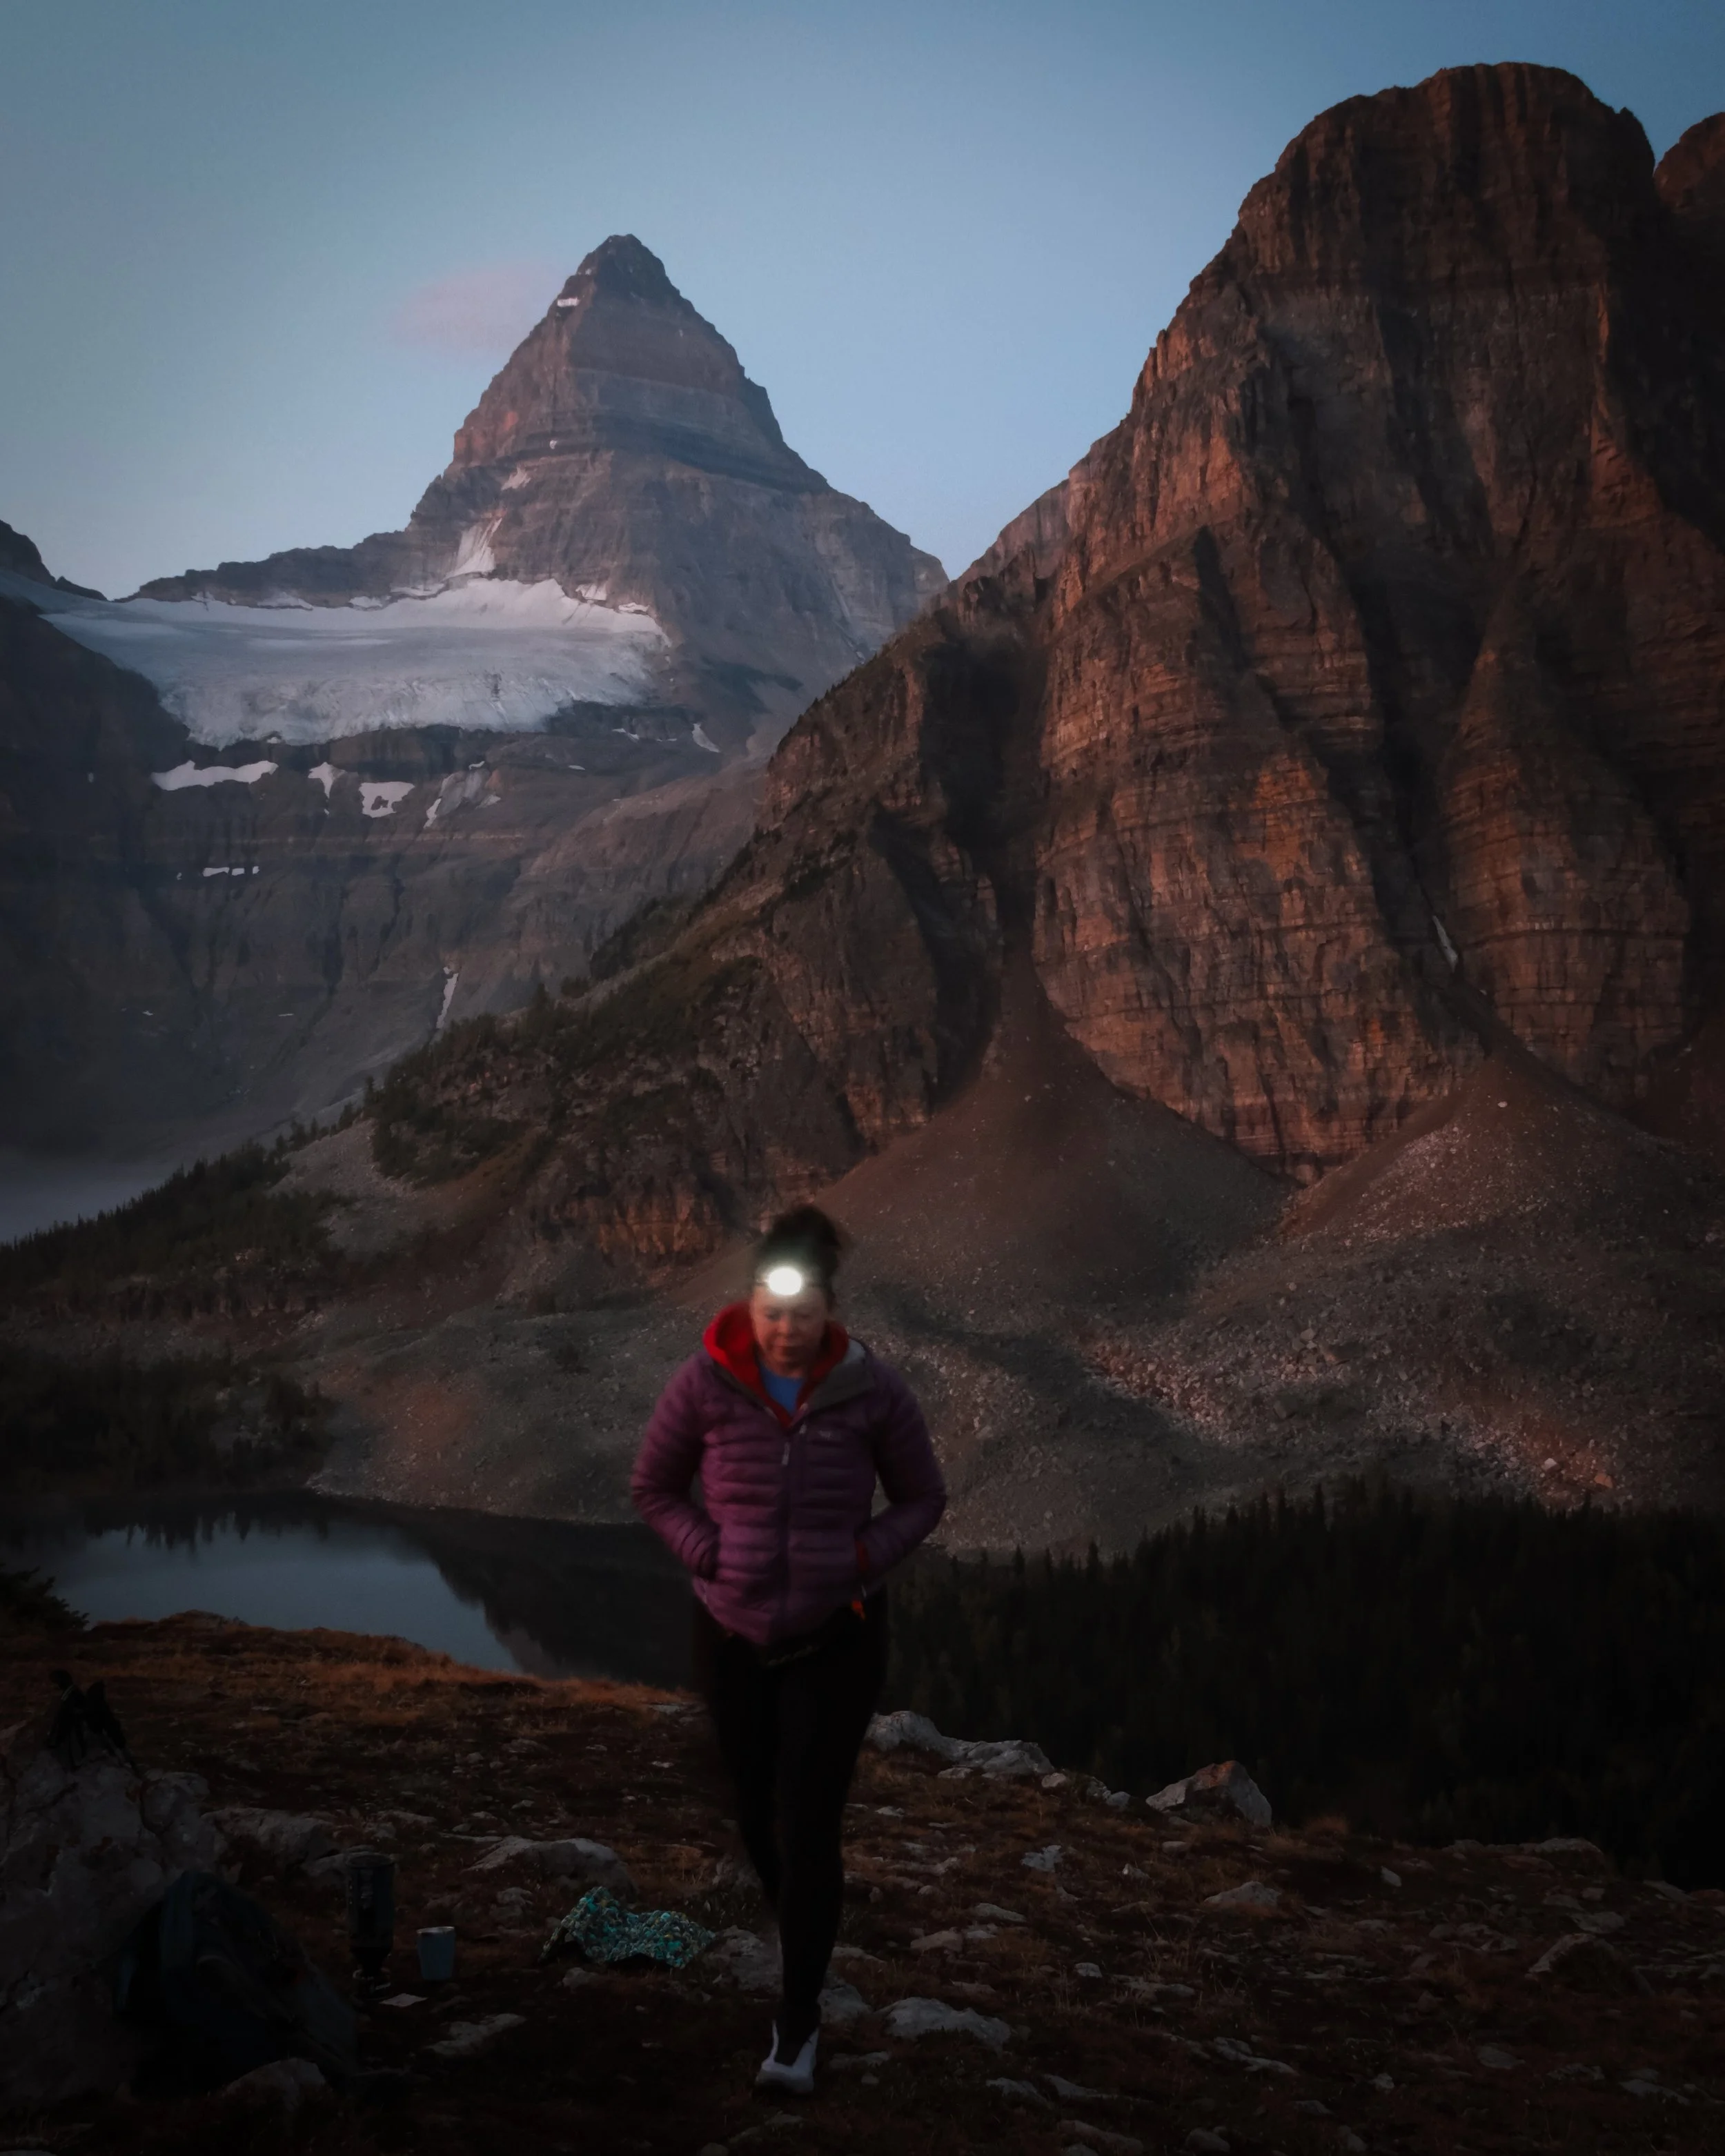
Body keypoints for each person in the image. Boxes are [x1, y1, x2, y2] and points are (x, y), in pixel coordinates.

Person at [631, 1205, 946, 2095]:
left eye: (802, 1310)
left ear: (827, 1311)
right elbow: (654, 1484)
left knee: (809, 1823)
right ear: (752, 1303)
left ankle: (797, 2024)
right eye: (771, 1307)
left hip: (835, 1638)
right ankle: (801, 1934)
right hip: (729, 1634)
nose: (784, 1327)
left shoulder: (870, 1390)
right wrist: (706, 1550)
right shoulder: (704, 1383)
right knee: (754, 1813)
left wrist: (859, 1559)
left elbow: (924, 1497)